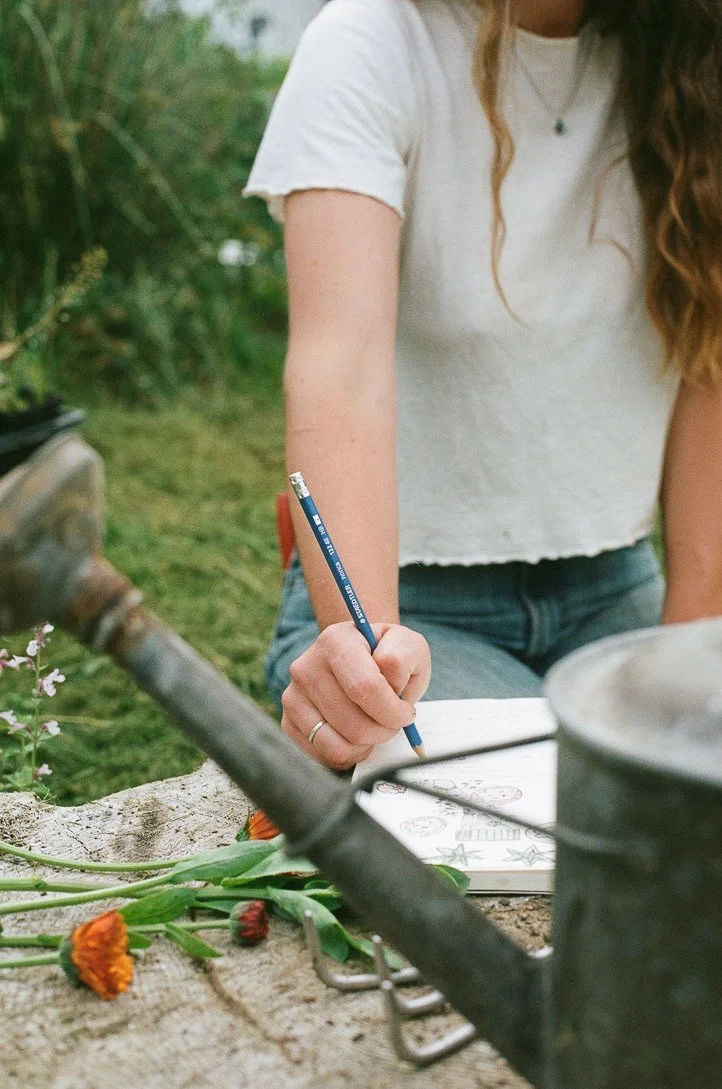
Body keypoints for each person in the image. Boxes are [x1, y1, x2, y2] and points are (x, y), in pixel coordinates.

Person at [244, 0, 722, 771]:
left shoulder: (695, 54)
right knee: (546, 814)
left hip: (617, 586)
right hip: (417, 608)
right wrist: (365, 661)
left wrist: (689, 665)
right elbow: (342, 372)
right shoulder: (372, 42)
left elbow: (710, 365)